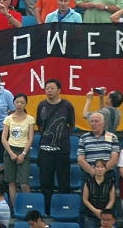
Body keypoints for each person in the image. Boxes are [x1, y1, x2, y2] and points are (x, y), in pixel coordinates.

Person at [36, 79, 75, 215]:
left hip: (62, 150)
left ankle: (64, 210)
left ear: (59, 90)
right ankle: (47, 210)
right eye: (47, 88)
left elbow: (71, 124)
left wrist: (60, 138)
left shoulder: (67, 106)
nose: (49, 91)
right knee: (46, 182)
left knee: (64, 181)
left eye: (52, 88)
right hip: (45, 150)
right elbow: (39, 125)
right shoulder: (42, 105)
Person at [1, 93, 34, 207]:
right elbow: (4, 138)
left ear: (25, 104)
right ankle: (15, 208)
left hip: (23, 151)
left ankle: (28, 205)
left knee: (24, 183)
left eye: (22, 102)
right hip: (10, 151)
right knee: (11, 182)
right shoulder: (8, 118)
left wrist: (23, 154)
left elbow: (30, 139)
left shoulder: (30, 119)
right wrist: (10, 153)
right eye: (17, 102)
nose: (19, 105)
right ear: (14, 103)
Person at [77, 111, 120, 183]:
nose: (93, 124)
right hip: (89, 175)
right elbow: (80, 160)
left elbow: (114, 158)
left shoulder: (112, 137)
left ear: (103, 123)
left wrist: (101, 171)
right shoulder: (83, 138)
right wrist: (92, 171)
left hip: (107, 174)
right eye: (91, 121)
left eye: (96, 121)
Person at [82, 159, 115, 228]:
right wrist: (95, 211)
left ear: (105, 169)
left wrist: (104, 213)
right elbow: (85, 199)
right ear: (94, 168)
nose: (100, 169)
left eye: (102, 167)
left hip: (105, 217)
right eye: (97, 167)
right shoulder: (88, 182)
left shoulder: (110, 182)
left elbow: (112, 200)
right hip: (90, 215)